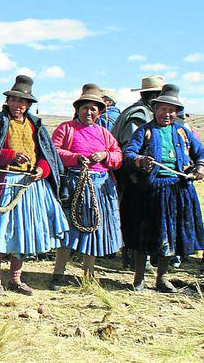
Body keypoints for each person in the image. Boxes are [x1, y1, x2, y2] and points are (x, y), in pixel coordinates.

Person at [0, 75, 68, 296]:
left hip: (29, 187)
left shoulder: (36, 125)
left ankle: (15, 279)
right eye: (14, 100)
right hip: (2, 185)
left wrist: (42, 169)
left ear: (29, 104)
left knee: (22, 234)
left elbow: (46, 155)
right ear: (8, 101)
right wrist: (11, 156)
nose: (17, 105)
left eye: (22, 102)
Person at [122, 84, 204, 292]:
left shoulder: (182, 132)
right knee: (144, 235)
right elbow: (129, 154)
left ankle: (162, 279)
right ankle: (139, 278)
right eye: (163, 109)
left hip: (178, 190)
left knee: (171, 236)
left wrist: (200, 167)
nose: (167, 114)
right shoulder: (145, 131)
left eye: (171, 110)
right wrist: (140, 160)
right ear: (155, 109)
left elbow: (200, 153)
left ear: (176, 112)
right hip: (151, 191)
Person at [50, 89, 123, 290]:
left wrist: (105, 156)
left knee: (94, 230)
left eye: (93, 109)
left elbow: (118, 156)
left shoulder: (104, 133)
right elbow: (54, 151)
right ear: (77, 110)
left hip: (100, 186)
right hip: (74, 185)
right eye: (85, 108)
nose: (88, 113)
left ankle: (88, 275)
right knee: (68, 230)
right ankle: (58, 273)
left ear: (99, 113)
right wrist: (74, 158)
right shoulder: (67, 129)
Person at [111, 75, 165, 270]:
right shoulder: (139, 115)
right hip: (134, 175)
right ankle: (134, 260)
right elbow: (132, 145)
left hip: (137, 174)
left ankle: (134, 258)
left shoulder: (134, 111)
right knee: (137, 217)